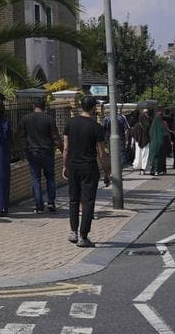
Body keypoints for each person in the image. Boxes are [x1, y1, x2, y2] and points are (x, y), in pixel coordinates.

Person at [63, 96, 110, 248]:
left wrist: (65, 166)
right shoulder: (96, 127)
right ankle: (83, 236)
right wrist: (106, 172)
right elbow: (102, 153)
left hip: (73, 166)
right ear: (93, 108)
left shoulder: (70, 123)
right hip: (89, 167)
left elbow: (66, 148)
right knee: (88, 201)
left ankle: (73, 232)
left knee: (73, 199)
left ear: (81, 106)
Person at [17, 98, 61, 213]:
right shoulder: (49, 119)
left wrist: (25, 148)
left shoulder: (26, 119)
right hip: (47, 152)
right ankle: (51, 203)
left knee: (36, 179)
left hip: (33, 152)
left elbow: (20, 135)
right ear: (44, 106)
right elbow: (55, 137)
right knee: (50, 178)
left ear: (33, 106)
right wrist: (62, 149)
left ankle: (39, 206)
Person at [147, 110, 169, 176]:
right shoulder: (162, 124)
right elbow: (165, 134)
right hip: (161, 144)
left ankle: (153, 170)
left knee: (154, 157)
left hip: (153, 144)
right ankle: (160, 170)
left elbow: (150, 133)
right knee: (161, 158)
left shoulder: (153, 125)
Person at [131, 110, 152, 174]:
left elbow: (133, 134)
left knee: (138, 155)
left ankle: (140, 169)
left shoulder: (137, 125)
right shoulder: (148, 125)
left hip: (138, 143)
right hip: (146, 142)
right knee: (145, 155)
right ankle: (143, 169)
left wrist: (132, 143)